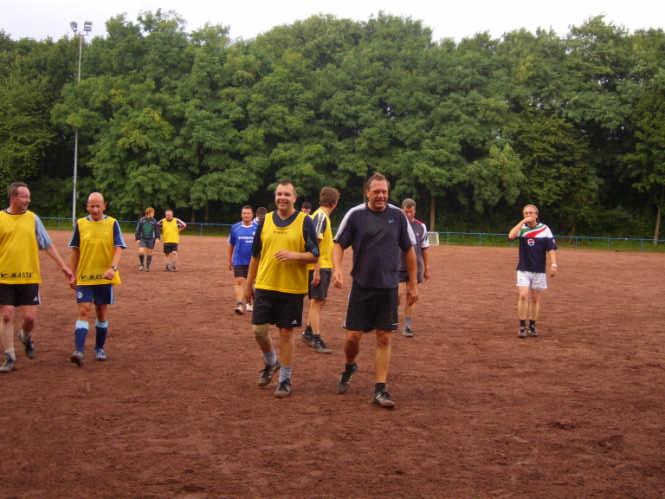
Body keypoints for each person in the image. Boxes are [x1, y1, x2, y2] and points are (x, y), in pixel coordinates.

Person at [333, 173, 418, 409]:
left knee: (384, 337)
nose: (381, 196)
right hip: (361, 286)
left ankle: (380, 388)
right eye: (376, 191)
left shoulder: (398, 216)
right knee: (352, 338)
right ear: (367, 192)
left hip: (389, 288)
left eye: (384, 192)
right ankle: (350, 365)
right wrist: (338, 269)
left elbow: (409, 251)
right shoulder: (356, 215)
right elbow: (338, 244)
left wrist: (412, 284)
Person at [244, 181, 319, 398]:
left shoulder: (305, 221)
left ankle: (285, 379)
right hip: (266, 284)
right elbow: (255, 255)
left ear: (294, 198)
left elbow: (314, 254)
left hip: (292, 288)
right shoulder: (265, 220)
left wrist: (295, 255)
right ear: (275, 197)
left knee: (286, 333)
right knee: (258, 330)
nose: (282, 198)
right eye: (279, 194)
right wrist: (249, 284)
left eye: (287, 194)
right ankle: (271, 361)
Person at [0, 182, 73, 373]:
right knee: (6, 315)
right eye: (24, 196)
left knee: (30, 318)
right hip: (4, 277)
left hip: (29, 275)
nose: (28, 200)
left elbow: (47, 244)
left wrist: (63, 266)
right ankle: (9, 356)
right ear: (13, 198)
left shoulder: (33, 219)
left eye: (28, 196)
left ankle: (25, 336)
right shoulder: (0, 218)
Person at [69, 192, 126, 365]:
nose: (94, 209)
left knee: (101, 312)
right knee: (84, 310)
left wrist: (113, 268)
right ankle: (78, 351)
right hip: (85, 277)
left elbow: (119, 248)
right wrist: (72, 274)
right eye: (91, 206)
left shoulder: (112, 223)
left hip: (104, 277)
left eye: (98, 206)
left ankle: (99, 348)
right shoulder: (80, 224)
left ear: (104, 206)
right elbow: (75, 250)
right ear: (87, 206)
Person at [508, 204, 558, 338]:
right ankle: (522, 326)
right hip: (523, 269)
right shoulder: (522, 229)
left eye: (531, 213)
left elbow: (551, 248)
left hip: (539, 270)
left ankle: (532, 326)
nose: (528, 215)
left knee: (535, 299)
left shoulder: (545, 229)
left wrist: (554, 264)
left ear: (536, 214)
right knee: (523, 295)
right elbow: (511, 236)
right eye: (525, 213)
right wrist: (522, 222)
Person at [301, 186, 340, 353]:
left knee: (318, 301)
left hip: (323, 265)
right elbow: (314, 243)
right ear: (334, 203)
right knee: (316, 302)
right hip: (320, 266)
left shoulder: (319, 216)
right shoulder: (321, 217)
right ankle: (315, 338)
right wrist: (316, 270)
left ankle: (309, 332)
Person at [398, 198, 431, 337]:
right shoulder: (396, 224)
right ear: (402, 210)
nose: (409, 214)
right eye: (406, 211)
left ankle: (407, 325)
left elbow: (425, 248)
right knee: (396, 295)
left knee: (411, 296)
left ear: (415, 211)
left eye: (411, 212)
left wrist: (427, 267)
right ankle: (390, 319)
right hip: (398, 265)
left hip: (415, 267)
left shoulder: (421, 226)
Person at [228, 205, 257, 314]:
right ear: (241, 214)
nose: (246, 215)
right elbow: (231, 245)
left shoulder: (258, 228)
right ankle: (240, 304)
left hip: (254, 262)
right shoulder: (235, 227)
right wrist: (229, 259)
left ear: (252, 215)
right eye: (244, 213)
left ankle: (251, 302)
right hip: (239, 261)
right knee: (239, 282)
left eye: (248, 213)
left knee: (252, 284)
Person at [134, 207, 160, 271]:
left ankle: (148, 266)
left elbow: (157, 230)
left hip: (151, 239)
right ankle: (141, 264)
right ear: (149, 213)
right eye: (153, 213)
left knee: (149, 252)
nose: (153, 214)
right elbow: (138, 229)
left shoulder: (154, 220)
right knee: (141, 251)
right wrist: (137, 238)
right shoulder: (142, 220)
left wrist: (157, 238)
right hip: (143, 238)